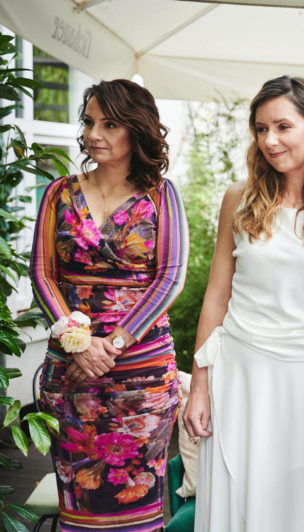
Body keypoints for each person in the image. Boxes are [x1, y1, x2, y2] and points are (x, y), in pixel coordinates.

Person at [182, 75, 304, 532]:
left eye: (283, 127)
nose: (269, 140)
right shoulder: (239, 200)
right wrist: (199, 387)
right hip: (240, 377)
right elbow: (217, 296)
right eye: (261, 129)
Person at [29, 79, 188, 532]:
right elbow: (41, 272)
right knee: (80, 502)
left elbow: (170, 277)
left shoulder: (161, 194)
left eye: (110, 124)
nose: (93, 134)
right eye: (89, 122)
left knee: (136, 500)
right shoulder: (58, 193)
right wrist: (77, 342)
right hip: (71, 369)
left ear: (137, 130)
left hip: (140, 373)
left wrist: (112, 345)